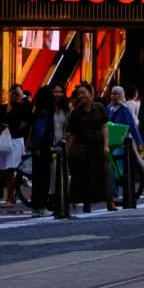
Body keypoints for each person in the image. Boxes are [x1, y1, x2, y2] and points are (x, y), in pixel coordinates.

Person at [66, 81, 115, 212]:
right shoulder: (76, 113)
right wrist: (68, 150)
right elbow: (73, 134)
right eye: (79, 94)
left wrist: (106, 145)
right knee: (85, 176)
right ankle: (87, 203)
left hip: (98, 146)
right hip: (83, 148)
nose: (81, 96)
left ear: (90, 94)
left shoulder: (99, 107)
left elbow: (105, 126)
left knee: (104, 174)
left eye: (83, 93)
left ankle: (110, 201)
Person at [30, 81, 69, 214]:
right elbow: (40, 131)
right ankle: (40, 206)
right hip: (44, 147)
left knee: (39, 177)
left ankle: (38, 205)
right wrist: (39, 146)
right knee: (43, 177)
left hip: (42, 147)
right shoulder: (46, 112)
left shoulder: (39, 110)